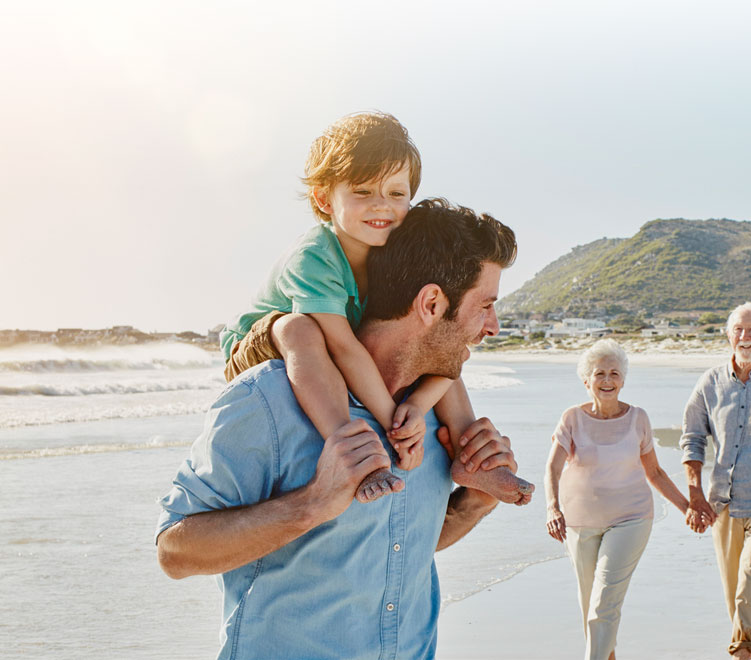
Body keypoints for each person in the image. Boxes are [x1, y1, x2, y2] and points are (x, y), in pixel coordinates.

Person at [157, 199, 525, 659]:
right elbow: (175, 552)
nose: (493, 326)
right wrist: (311, 505)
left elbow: (399, 553)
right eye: (486, 305)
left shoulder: (432, 413)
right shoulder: (269, 399)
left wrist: (474, 502)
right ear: (431, 303)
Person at [219, 111, 531, 505]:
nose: (381, 207)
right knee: (300, 329)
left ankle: (475, 458)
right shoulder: (315, 257)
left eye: (396, 194)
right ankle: (351, 448)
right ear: (323, 199)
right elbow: (344, 347)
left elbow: (442, 356)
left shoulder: (390, 252)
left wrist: (416, 407)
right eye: (363, 192)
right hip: (260, 343)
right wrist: (393, 424)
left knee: (441, 337)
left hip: (332, 340)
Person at [544, 339, 691, 660]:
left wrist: (687, 508)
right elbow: (552, 467)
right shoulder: (571, 418)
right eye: (599, 374)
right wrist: (552, 508)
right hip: (579, 524)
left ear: (623, 379)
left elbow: (655, 473)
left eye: (614, 373)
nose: (607, 381)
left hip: (631, 519)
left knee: (603, 603)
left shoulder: (638, 418)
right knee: (591, 608)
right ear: (586, 381)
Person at [680, 301, 751, 659]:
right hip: (723, 505)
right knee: (734, 591)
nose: (745, 337)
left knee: (748, 588)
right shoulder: (710, 381)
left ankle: (742, 653)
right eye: (738, 329)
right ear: (728, 334)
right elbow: (692, 436)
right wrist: (695, 493)